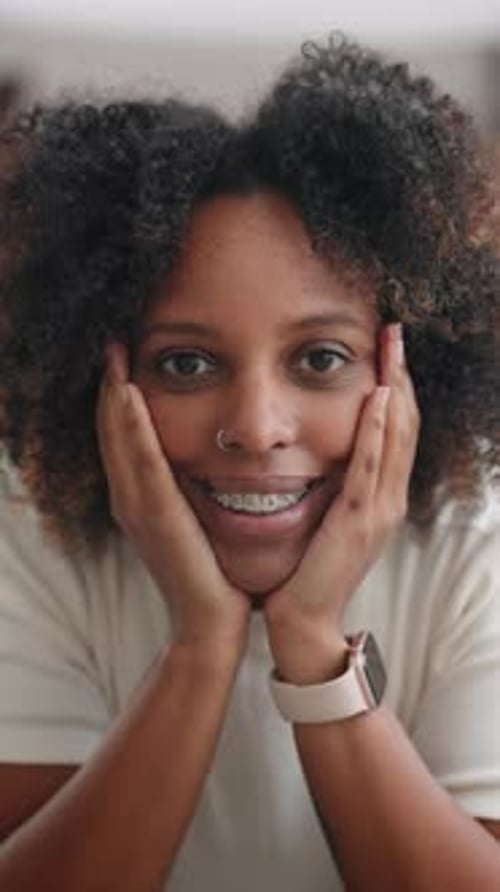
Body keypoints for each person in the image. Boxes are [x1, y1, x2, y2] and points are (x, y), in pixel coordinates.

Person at [0, 33, 499, 892]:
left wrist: (311, 644)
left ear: (408, 372)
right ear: (100, 372)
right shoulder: (31, 534)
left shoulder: (476, 543)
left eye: (320, 360)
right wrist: (201, 645)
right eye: (186, 364)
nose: (258, 428)